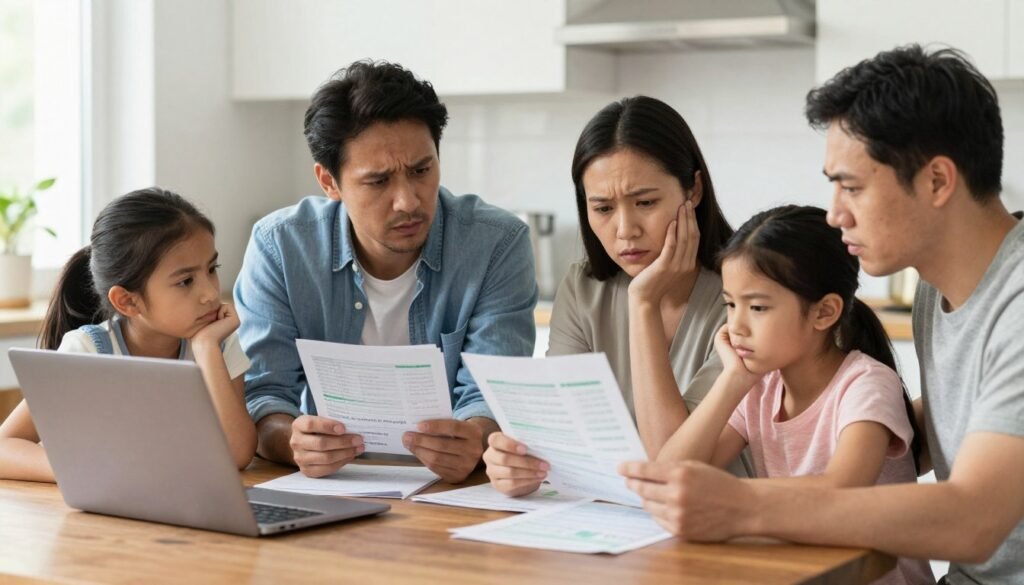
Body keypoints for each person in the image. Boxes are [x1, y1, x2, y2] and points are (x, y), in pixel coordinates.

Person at [619, 44, 1024, 584]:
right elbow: (976, 426)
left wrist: (742, 504)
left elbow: (974, 520)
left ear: (937, 181)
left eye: (851, 186)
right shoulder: (940, 289)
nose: (835, 213)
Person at [234, 60, 537, 484]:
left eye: (421, 170)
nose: (408, 202)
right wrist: (294, 442)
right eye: (378, 182)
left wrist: (474, 438)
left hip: (451, 494)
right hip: (331, 489)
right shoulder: (280, 246)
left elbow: (492, 395)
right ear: (329, 182)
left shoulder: (495, 244)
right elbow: (265, 396)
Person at [484, 95, 747, 497]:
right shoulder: (583, 287)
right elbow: (564, 436)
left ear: (692, 189)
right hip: (612, 521)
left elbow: (671, 464)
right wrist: (517, 463)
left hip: (717, 529)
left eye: (645, 202)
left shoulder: (745, 298)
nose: (625, 230)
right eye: (603, 208)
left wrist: (642, 303)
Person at [658, 205, 932, 584]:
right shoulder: (760, 386)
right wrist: (732, 381)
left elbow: (842, 490)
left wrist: (730, 497)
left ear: (824, 313)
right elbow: (668, 473)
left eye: (757, 307)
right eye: (730, 305)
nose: (736, 326)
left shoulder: (865, 384)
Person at [0, 188, 255, 482]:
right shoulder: (87, 351)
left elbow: (238, 454)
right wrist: (87, 469)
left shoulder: (219, 344)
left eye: (212, 268)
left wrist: (208, 348)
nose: (210, 293)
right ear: (128, 301)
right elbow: (4, 447)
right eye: (186, 281)